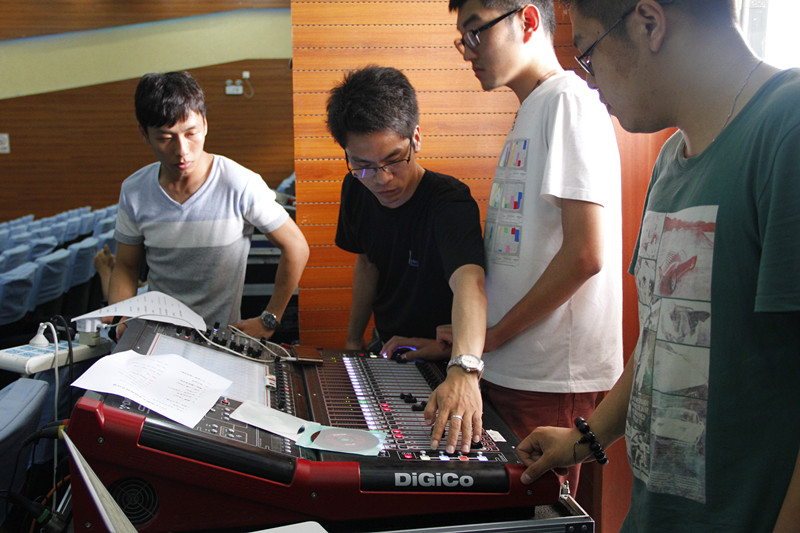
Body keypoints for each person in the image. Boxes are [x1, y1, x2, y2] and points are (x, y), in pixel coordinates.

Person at [516, 1, 800, 531]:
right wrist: (585, 439)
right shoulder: (670, 159)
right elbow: (661, 342)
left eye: (588, 53)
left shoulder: (788, 127)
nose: (589, 79)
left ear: (649, 23)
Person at [392, 0, 623, 494]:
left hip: (548, 374)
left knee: (534, 514)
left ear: (529, 20)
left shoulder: (568, 101)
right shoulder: (534, 108)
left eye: (477, 32)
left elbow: (586, 255)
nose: (467, 51)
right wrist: (474, 342)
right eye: (463, 38)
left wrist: (491, 339)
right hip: (513, 364)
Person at [328, 66, 488, 455]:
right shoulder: (355, 188)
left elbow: (469, 283)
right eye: (363, 165)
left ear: (415, 138)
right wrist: (353, 339)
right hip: (389, 347)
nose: (381, 178)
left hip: (448, 358)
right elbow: (368, 263)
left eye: (393, 160)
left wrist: (463, 368)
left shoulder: (448, 202)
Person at [109, 71, 309, 339]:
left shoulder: (240, 183)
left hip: (219, 339)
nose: (182, 150)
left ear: (204, 124)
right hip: (155, 337)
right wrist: (120, 319)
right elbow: (126, 266)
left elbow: (296, 246)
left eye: (191, 133)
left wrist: (269, 319)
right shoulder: (135, 190)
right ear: (144, 134)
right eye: (165, 138)